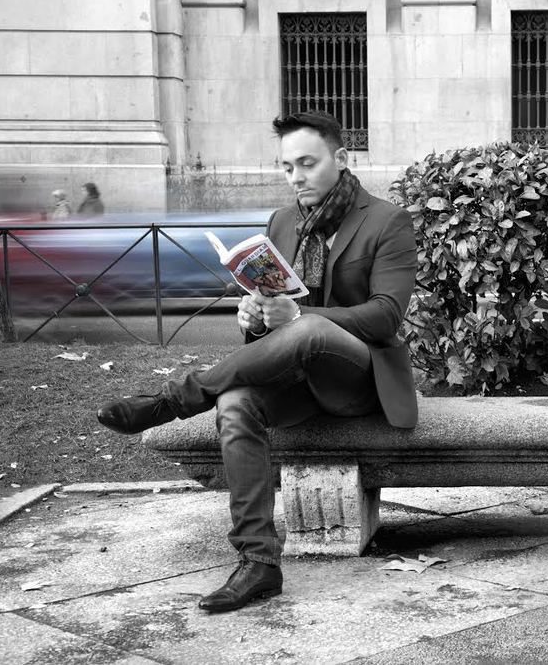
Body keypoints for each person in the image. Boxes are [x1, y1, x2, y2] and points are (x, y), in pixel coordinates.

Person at [96, 110, 418, 613]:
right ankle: (258, 563)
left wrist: (298, 313)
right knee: (237, 402)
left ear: (341, 158)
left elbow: (385, 317)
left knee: (310, 327)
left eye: (307, 164)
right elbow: (270, 324)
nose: (296, 177)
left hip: (359, 381)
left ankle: (174, 399)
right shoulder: (282, 222)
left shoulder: (387, 221)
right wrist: (254, 316)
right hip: (296, 379)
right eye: (287, 167)